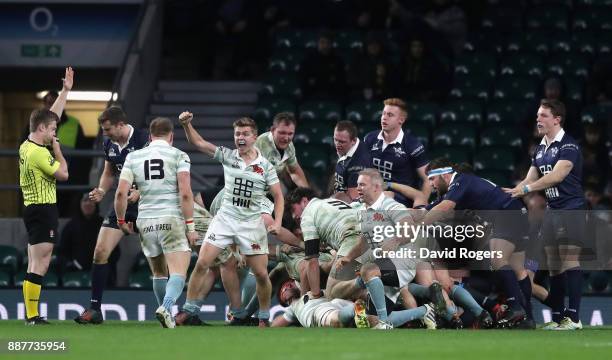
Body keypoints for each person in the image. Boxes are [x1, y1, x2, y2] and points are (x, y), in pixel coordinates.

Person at [179, 112, 284, 327]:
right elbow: (198, 142)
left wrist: (278, 222)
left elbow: (279, 196)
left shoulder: (265, 166)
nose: (240, 137)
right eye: (237, 134)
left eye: (245, 133)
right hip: (225, 220)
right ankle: (188, 311)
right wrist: (186, 125)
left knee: (262, 274)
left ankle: (264, 317)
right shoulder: (228, 155)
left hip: (251, 225)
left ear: (255, 137)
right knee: (202, 263)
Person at [505, 99, 586, 330]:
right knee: (554, 266)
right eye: (538, 115)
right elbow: (530, 177)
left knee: (570, 260)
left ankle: (575, 317)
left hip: (571, 208)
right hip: (553, 210)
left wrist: (528, 189)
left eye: (543, 116)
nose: (538, 119)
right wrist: (515, 190)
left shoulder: (568, 146)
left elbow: (557, 176)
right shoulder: (541, 148)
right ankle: (560, 317)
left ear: (557, 119)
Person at [425, 158, 533, 328]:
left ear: (444, 175)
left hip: (505, 214)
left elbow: (444, 207)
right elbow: (430, 207)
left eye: (432, 178)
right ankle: (528, 318)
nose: (430, 184)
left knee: (498, 258)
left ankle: (515, 308)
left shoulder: (461, 180)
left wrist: (417, 225)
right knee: (519, 270)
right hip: (515, 211)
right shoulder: (456, 189)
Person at [114, 117, 198, 328]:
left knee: (159, 273)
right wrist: (191, 226)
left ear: (150, 136)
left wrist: (121, 221)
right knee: (178, 271)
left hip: (145, 220)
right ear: (171, 136)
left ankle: (165, 316)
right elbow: (186, 194)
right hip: (171, 218)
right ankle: (166, 307)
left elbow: (121, 193)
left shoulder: (133, 157)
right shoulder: (179, 155)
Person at [75, 106, 149, 324]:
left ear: (120, 125)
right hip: (122, 204)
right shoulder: (109, 143)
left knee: (160, 258)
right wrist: (101, 190)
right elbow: (109, 172)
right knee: (100, 251)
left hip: (150, 204)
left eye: (107, 129)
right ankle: (95, 310)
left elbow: (162, 171)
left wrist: (141, 191)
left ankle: (173, 309)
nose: (104, 134)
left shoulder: (145, 140)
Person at [19, 67, 72, 325]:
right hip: (43, 209)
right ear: (42, 129)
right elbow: (64, 174)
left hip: (32, 209)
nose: (55, 132)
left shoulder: (27, 144)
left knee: (33, 263)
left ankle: (31, 315)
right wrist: (59, 151)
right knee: (40, 264)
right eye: (52, 130)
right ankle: (32, 316)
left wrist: (65, 92)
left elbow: (52, 117)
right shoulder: (41, 153)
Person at [363, 98, 430, 206]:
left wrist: (421, 207)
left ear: (401, 120)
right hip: (373, 193)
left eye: (390, 115)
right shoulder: (370, 138)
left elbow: (428, 179)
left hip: (400, 198)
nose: (384, 118)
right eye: (383, 114)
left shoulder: (413, 145)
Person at [57, 194, 118, 278]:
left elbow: (115, 251)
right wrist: (73, 264)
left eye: (91, 201)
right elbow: (62, 252)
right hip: (75, 272)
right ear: (80, 204)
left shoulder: (105, 225)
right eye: (85, 200)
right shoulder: (70, 226)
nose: (88, 203)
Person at [332, 120, 371, 201]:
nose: (337, 144)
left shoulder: (358, 163)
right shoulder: (346, 147)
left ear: (353, 141)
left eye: (342, 142)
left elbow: (355, 198)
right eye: (335, 139)